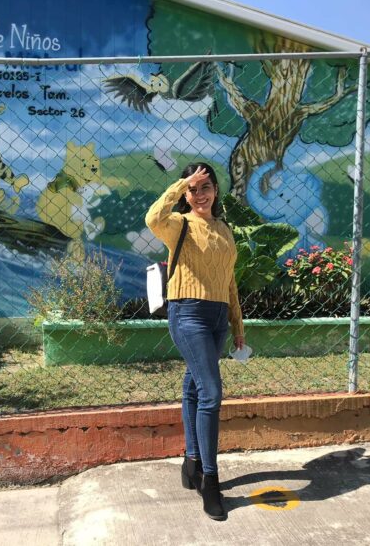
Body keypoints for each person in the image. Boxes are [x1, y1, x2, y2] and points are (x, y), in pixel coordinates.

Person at [145, 162, 245, 521]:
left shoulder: (224, 229)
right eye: (193, 189)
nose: (200, 195)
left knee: (194, 385)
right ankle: (210, 480)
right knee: (211, 393)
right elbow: (153, 218)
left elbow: (229, 281)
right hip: (187, 314)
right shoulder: (179, 224)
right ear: (186, 193)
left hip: (218, 318)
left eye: (206, 187)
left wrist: (237, 325)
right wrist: (179, 185)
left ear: (216, 191)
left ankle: (190, 461)